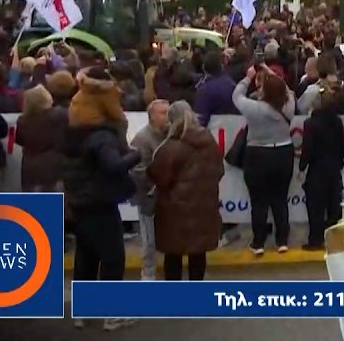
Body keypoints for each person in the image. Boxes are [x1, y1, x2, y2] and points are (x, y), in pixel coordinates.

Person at [63, 67, 140, 332]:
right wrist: (135, 155)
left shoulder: (74, 128)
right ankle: (111, 313)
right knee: (112, 257)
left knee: (85, 255)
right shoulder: (102, 135)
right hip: (100, 200)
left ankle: (83, 311)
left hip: (78, 199)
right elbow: (114, 166)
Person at [147, 101, 225, 280]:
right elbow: (219, 171)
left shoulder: (171, 146)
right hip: (204, 207)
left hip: (174, 211)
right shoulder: (209, 141)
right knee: (198, 254)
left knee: (173, 255)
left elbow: (160, 177)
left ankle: (176, 299)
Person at [232, 65, 296, 255]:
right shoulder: (289, 105)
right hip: (283, 151)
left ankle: (258, 242)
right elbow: (287, 89)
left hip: (257, 154)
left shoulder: (253, 108)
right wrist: (270, 73)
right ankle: (282, 240)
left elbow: (236, 96)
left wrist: (248, 77)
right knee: (280, 199)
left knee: (258, 201)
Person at [298, 81, 344, 250]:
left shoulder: (310, 124)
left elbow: (308, 149)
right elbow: (342, 145)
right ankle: (335, 238)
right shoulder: (338, 122)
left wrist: (302, 167)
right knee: (334, 206)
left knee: (316, 207)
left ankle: (315, 240)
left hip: (317, 169)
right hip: (334, 167)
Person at [130, 99, 170, 280]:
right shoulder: (142, 138)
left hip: (168, 197)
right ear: (152, 116)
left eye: (168, 112)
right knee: (149, 239)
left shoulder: (170, 135)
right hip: (149, 198)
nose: (167, 116)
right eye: (163, 112)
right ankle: (148, 273)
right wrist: (156, 184)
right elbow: (137, 170)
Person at [15, 84, 68, 193]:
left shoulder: (22, 121)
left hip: (30, 164)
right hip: (53, 164)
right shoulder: (60, 116)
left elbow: (19, 140)